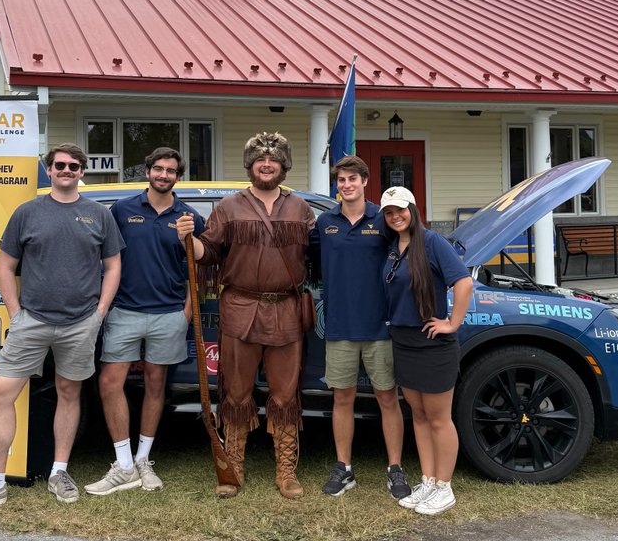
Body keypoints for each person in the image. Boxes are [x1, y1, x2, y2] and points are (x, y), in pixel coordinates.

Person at [0, 144, 123, 511]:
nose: (67, 170)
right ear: (50, 169)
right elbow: (5, 266)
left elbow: (113, 266)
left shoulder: (99, 215)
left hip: (80, 323)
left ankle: (59, 471)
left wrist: (99, 313)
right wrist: (15, 313)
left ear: (82, 171)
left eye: (74, 165)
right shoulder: (27, 212)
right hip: (32, 321)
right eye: (60, 165)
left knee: (69, 394)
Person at [176, 131, 315, 500]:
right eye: (259, 160)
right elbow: (210, 254)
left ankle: (286, 470)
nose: (266, 164)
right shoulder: (229, 207)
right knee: (236, 393)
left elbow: (320, 255)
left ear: (283, 166)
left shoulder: (301, 209)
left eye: (273, 160)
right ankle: (232, 467)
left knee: (285, 395)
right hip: (239, 308)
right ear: (250, 166)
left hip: (286, 310)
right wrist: (190, 240)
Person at [85, 147, 204, 496]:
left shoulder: (189, 215)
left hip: (169, 314)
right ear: (148, 171)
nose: (163, 174)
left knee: (156, 385)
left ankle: (143, 460)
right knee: (109, 382)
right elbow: (104, 259)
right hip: (125, 310)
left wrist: (186, 311)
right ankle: (123, 464)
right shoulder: (121, 210)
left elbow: (202, 267)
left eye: (170, 170)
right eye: (158, 168)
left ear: (177, 177)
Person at [317, 156, 410, 500]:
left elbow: (406, 254)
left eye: (352, 179)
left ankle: (395, 468)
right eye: (341, 180)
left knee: (387, 398)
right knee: (343, 398)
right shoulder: (325, 222)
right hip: (340, 327)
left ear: (365, 181)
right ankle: (344, 468)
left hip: (379, 326)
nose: (346, 185)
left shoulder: (383, 219)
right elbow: (311, 263)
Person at [379, 185, 473, 516]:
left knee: (438, 418)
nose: (395, 217)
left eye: (400, 210)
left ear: (414, 210)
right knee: (418, 415)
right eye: (389, 213)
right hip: (403, 341)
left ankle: (445, 487)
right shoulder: (393, 247)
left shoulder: (432, 242)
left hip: (432, 343)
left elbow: (463, 281)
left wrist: (452, 322)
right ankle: (429, 480)